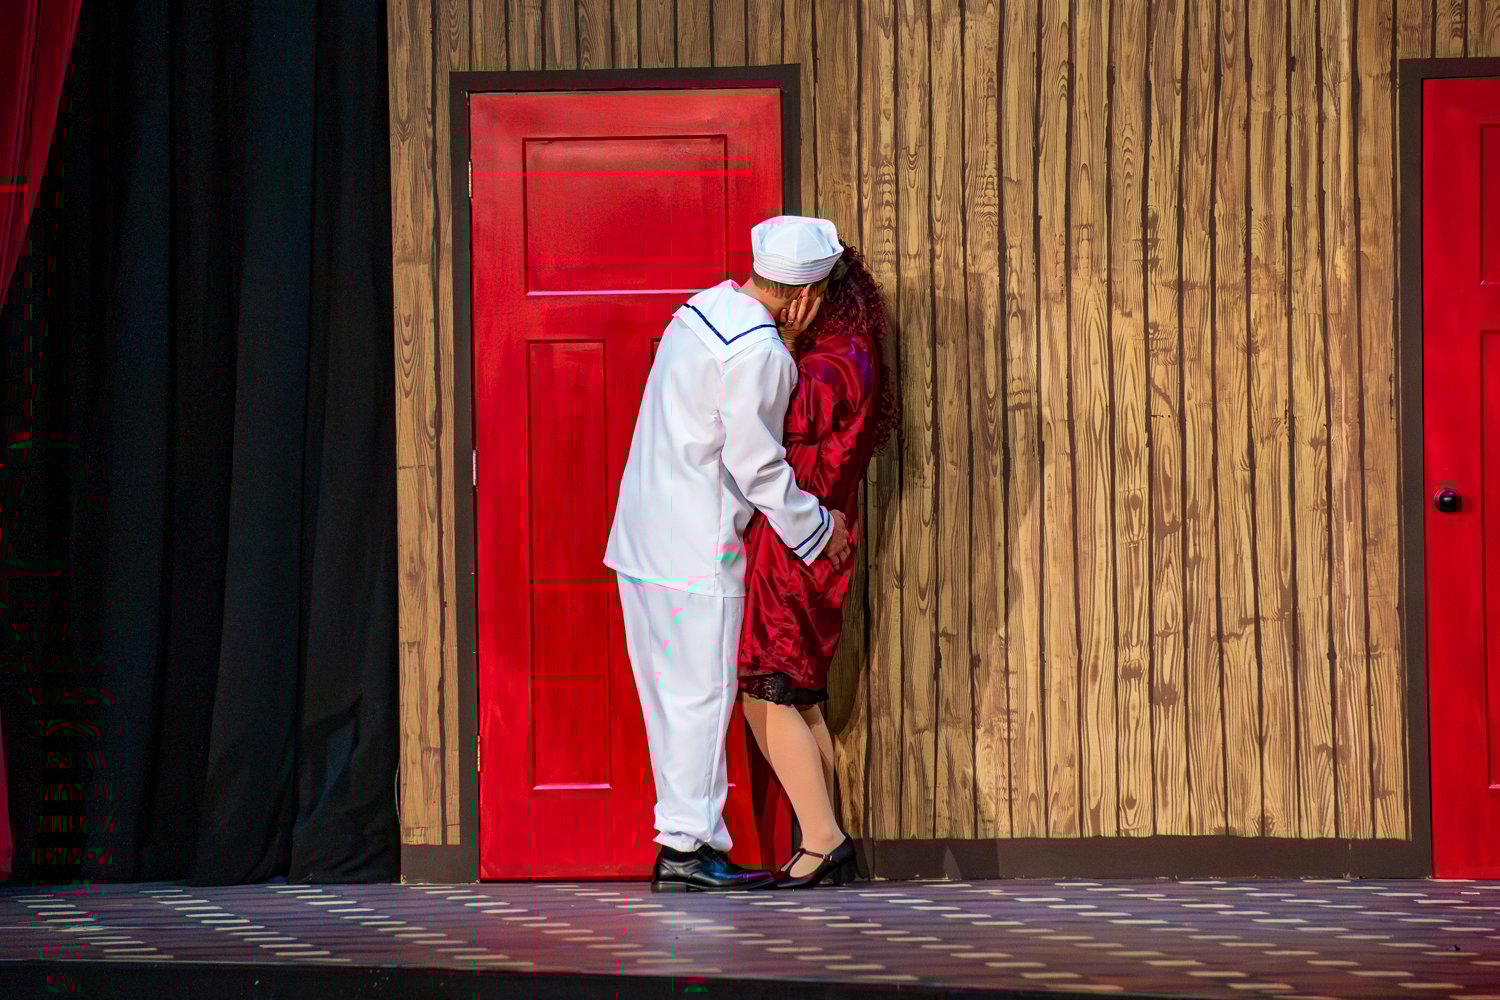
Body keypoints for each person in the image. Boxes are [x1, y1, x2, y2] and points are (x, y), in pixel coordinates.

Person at [604, 215, 854, 893]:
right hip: (695, 550)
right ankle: (688, 852)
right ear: (804, 296)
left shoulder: (701, 309)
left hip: (642, 537)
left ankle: (683, 842)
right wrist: (818, 528)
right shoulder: (761, 352)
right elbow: (757, 466)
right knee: (700, 701)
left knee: (670, 703)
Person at [736, 244, 899, 889]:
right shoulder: (845, 348)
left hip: (798, 543)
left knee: (766, 688)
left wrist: (767, 350)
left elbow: (784, 415)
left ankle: (825, 841)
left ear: (814, 295)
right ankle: (821, 841)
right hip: (807, 536)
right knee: (797, 696)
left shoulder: (839, 356)